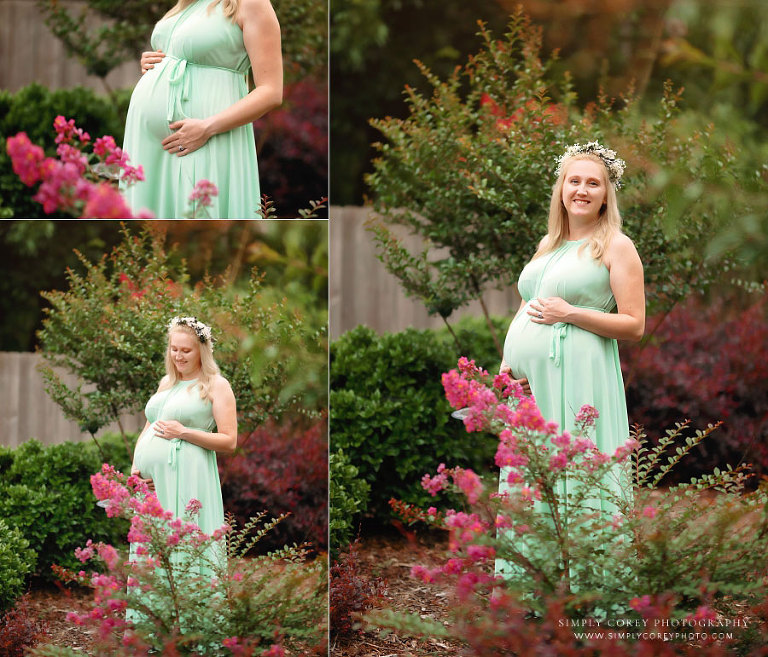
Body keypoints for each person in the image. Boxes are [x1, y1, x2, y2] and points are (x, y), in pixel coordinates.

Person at [497, 142, 645, 573]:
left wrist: (572, 313)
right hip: (530, 387)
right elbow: (529, 306)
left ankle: (595, 590)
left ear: (605, 195)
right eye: (574, 181)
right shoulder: (549, 243)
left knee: (580, 470)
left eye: (592, 183)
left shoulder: (616, 246)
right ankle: (534, 589)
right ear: (562, 189)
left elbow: (634, 324)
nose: (582, 190)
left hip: (582, 375)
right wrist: (509, 368)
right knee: (534, 475)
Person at [121, 0, 283, 218]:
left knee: (198, 216)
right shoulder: (186, 4)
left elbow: (271, 91)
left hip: (204, 136)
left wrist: (207, 127)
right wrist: (158, 62)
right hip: (150, 145)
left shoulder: (250, 3)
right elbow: (181, 54)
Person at [130, 316, 237, 553]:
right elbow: (149, 427)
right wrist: (136, 469)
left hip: (187, 476)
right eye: (174, 349)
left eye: (186, 350)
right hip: (153, 484)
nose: (178, 356)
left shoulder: (216, 385)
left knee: (183, 546)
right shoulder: (166, 383)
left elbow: (229, 441)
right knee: (154, 548)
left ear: (201, 351)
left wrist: (184, 432)